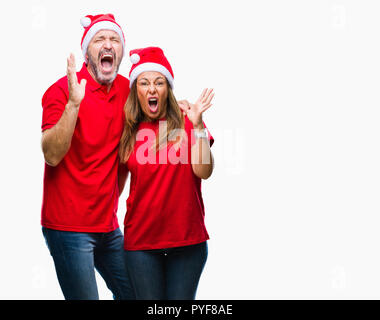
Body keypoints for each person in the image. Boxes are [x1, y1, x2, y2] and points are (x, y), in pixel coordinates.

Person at [40, 13, 135, 300]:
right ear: (87, 51)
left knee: (139, 293)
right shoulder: (61, 91)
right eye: (100, 39)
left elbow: (130, 149)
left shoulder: (126, 91)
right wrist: (73, 105)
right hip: (68, 228)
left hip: (108, 225)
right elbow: (52, 155)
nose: (108, 44)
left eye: (114, 39)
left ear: (120, 51)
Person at [119, 46, 215, 300]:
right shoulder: (128, 129)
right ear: (136, 90)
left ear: (167, 89)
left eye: (159, 82)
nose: (152, 89)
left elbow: (204, 171)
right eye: (144, 83)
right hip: (141, 245)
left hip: (187, 242)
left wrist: (198, 126)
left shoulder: (187, 120)